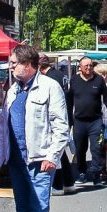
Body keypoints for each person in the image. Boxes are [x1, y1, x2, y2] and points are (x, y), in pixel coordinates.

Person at [0, 44, 69, 212]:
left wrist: (52, 157)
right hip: (16, 162)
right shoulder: (12, 90)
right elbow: (3, 129)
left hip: (38, 162)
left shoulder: (49, 87)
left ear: (28, 64)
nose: (11, 67)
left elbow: (61, 126)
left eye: (14, 63)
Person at [67, 56, 107, 186]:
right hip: (79, 122)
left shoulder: (99, 80)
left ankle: (96, 175)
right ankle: (82, 173)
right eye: (86, 66)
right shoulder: (74, 80)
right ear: (80, 67)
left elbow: (106, 98)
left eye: (90, 66)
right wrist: (69, 121)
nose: (89, 68)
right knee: (80, 149)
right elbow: (69, 101)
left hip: (95, 121)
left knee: (96, 149)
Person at [40, 55, 76, 194]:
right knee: (61, 153)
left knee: (56, 152)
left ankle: (58, 185)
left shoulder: (50, 79)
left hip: (55, 118)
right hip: (63, 114)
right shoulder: (59, 75)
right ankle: (68, 182)